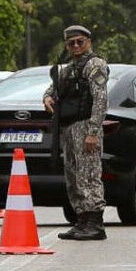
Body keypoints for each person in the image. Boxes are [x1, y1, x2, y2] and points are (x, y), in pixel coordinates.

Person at [43, 25, 109, 241]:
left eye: (80, 41)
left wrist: (93, 131)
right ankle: (81, 220)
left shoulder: (95, 65)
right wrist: (47, 99)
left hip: (85, 126)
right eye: (71, 43)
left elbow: (100, 100)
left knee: (89, 175)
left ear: (89, 41)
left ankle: (95, 223)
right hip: (68, 128)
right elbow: (51, 89)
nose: (76, 46)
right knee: (73, 176)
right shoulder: (68, 69)